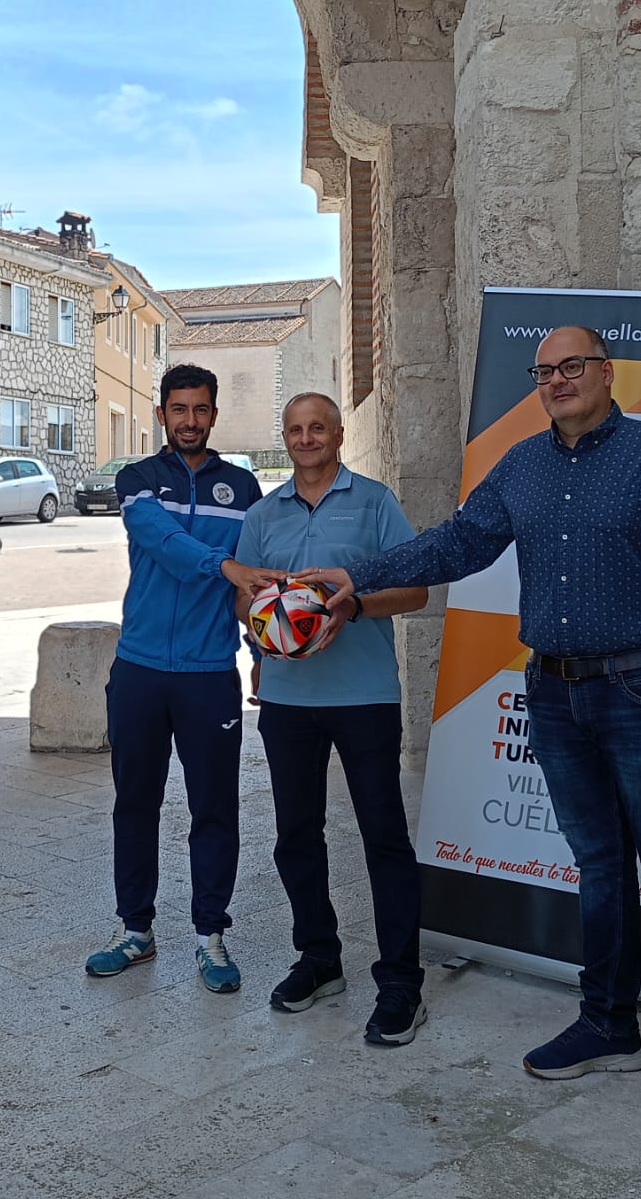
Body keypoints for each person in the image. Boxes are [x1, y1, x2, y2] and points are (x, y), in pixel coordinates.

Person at [299, 325, 641, 1142]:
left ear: (608, 373)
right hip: (556, 694)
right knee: (600, 869)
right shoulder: (523, 465)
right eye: (544, 371)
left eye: (572, 365)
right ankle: (609, 1023)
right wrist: (357, 576)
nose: (557, 380)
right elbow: (458, 543)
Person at [233, 392, 431, 1046]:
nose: (307, 437)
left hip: (365, 695)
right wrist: (264, 624)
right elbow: (243, 599)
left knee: (385, 838)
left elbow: (416, 587)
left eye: (318, 427)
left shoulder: (374, 502)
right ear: (284, 438)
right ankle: (319, 961)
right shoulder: (263, 514)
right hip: (289, 700)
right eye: (295, 429)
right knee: (295, 837)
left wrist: (351, 608)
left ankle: (401, 982)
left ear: (339, 434)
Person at [86, 364, 279, 993]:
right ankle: (135, 932)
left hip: (207, 677)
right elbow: (163, 541)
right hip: (140, 670)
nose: (189, 421)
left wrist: (260, 650)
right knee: (135, 803)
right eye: (178, 410)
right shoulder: (138, 480)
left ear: (214, 415)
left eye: (200, 410)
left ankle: (210, 937)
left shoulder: (243, 488)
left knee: (215, 809)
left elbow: (253, 585)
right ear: (162, 415)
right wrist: (223, 564)